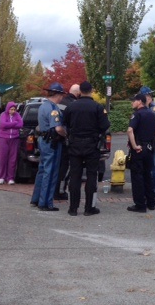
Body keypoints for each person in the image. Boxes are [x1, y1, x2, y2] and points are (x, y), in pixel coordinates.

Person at [63, 81, 110, 217]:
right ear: (91, 90)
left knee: (75, 176)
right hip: (91, 145)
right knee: (91, 176)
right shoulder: (97, 107)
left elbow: (64, 123)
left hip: (75, 145)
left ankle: (73, 208)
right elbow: (104, 126)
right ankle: (89, 208)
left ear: (79, 92)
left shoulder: (71, 107)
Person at [30, 82, 67, 211]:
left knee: (42, 170)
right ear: (58, 94)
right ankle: (45, 202)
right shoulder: (53, 109)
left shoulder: (43, 106)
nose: (62, 97)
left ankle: (36, 198)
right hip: (52, 142)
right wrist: (65, 134)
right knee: (50, 172)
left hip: (43, 140)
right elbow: (57, 128)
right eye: (62, 94)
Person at [126, 93, 155, 213]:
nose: (132, 103)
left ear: (139, 101)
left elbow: (130, 130)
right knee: (148, 175)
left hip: (139, 149)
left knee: (137, 176)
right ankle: (151, 202)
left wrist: (134, 145)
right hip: (150, 148)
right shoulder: (152, 114)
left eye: (133, 101)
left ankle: (140, 204)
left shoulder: (137, 114)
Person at [56, 83, 80, 200]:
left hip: (56, 139)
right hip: (68, 139)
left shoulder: (60, 103)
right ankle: (60, 191)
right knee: (66, 167)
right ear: (77, 93)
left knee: (57, 166)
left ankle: (55, 190)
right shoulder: (74, 105)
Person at [0, 101, 23, 185]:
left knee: (13, 159)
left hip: (14, 139)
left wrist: (10, 124)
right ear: (8, 109)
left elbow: (21, 124)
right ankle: (1, 177)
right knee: (2, 158)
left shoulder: (17, 115)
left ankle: (10, 178)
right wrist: (14, 123)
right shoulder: (3, 115)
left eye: (14, 109)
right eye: (11, 109)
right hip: (2, 138)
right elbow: (2, 125)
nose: (13, 111)